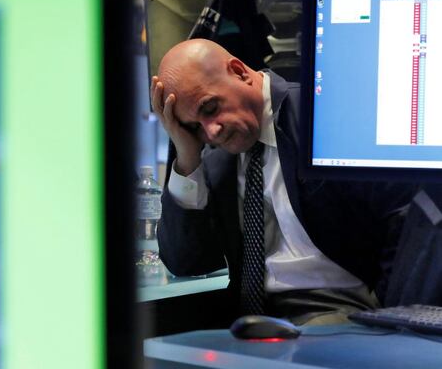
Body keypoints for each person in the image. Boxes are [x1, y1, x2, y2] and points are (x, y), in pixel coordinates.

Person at [152, 38, 414, 326]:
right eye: (193, 126)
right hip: (250, 319)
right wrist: (187, 155)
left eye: (211, 107)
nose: (211, 132)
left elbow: (404, 221)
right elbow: (186, 261)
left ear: (239, 72)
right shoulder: (215, 158)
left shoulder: (323, 114)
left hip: (342, 307)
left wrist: (393, 317)